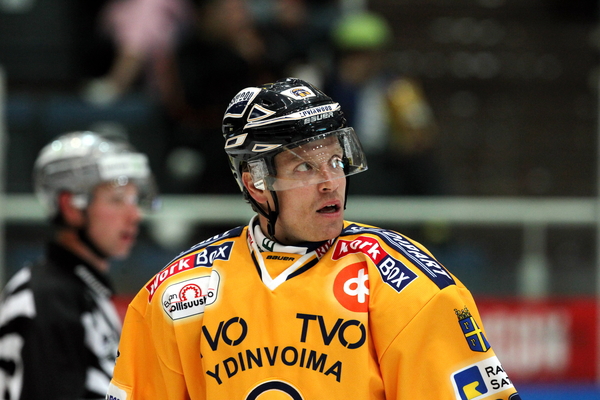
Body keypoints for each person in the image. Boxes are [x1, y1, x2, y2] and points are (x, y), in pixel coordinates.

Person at [106, 78, 520, 399]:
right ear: (256, 183)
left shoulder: (405, 285)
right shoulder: (175, 294)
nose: (330, 182)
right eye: (305, 167)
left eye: (336, 161)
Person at [0, 131, 159, 399]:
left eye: (134, 200)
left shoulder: (83, 293)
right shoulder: (45, 298)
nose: (134, 215)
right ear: (71, 207)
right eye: (117, 200)